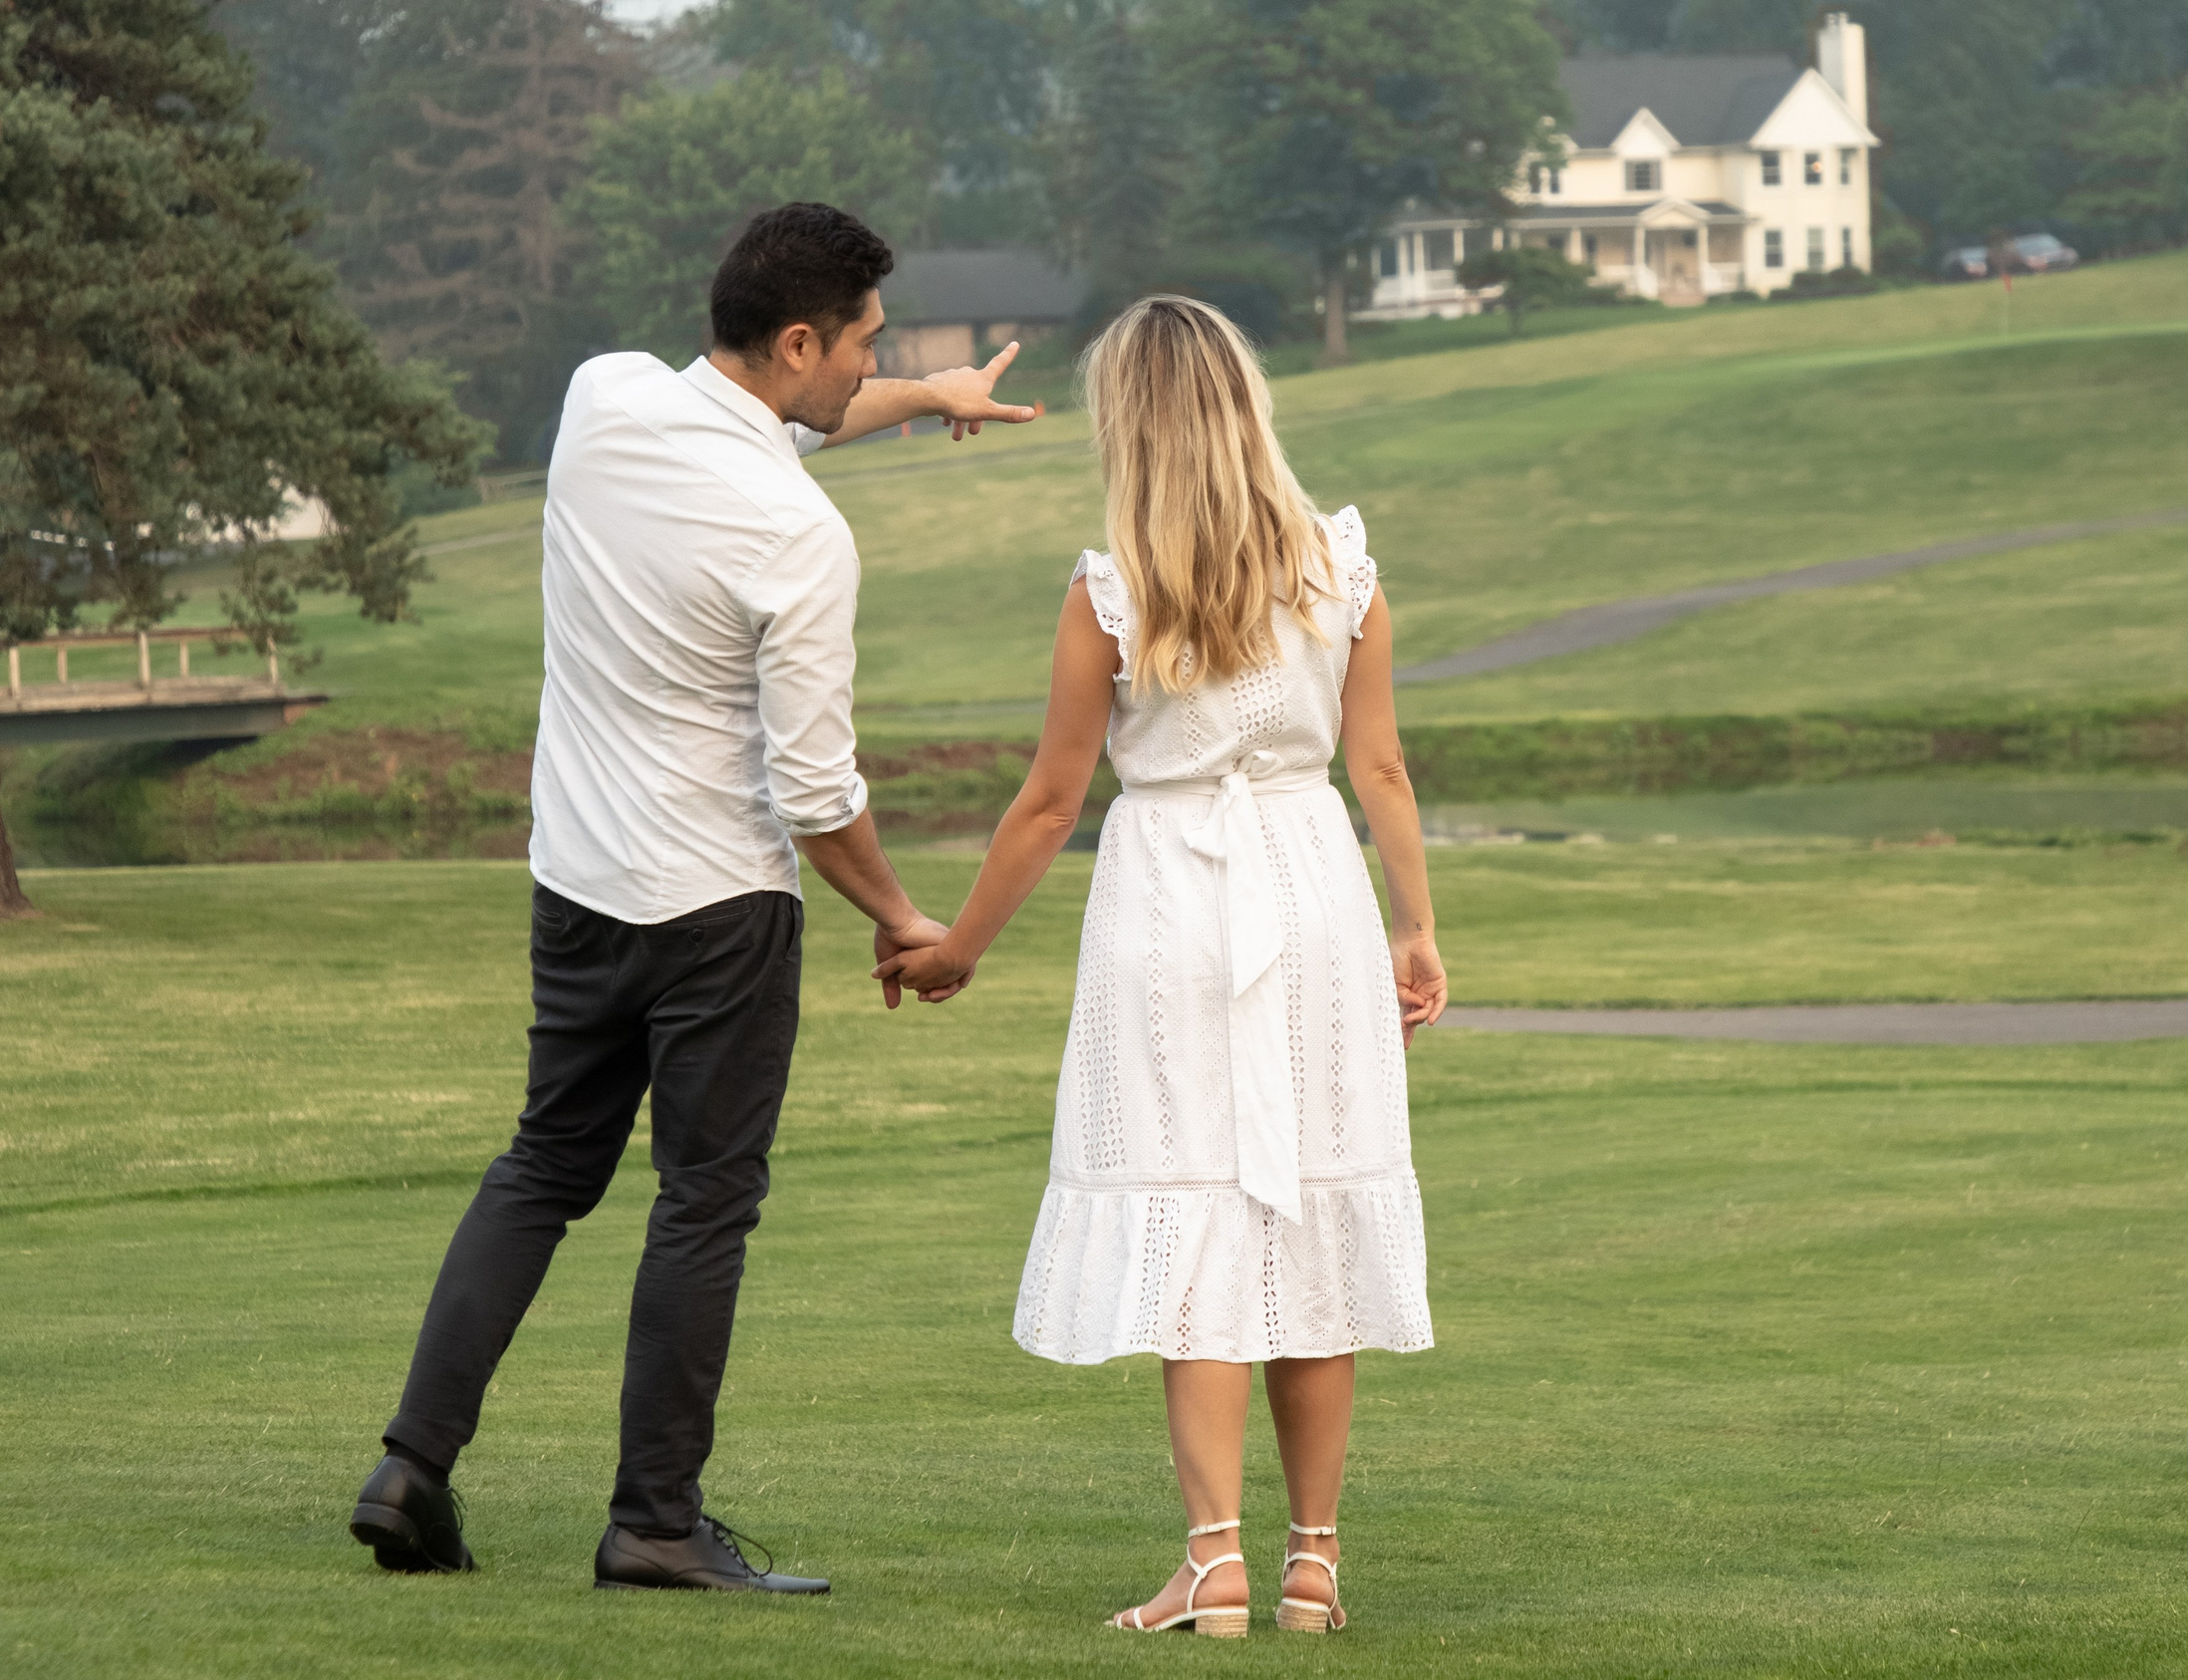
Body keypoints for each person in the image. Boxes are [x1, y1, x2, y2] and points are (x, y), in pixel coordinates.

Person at [347, 203, 1035, 1592]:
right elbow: (817, 793)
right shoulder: (800, 535)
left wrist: (929, 399)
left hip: (578, 884)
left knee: (544, 1167)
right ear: (798, 340)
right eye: (864, 346)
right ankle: (655, 1522)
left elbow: (790, 417)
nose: (870, 366)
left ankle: (409, 1468)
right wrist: (906, 919)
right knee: (704, 1204)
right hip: (718, 908)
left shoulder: (603, 399)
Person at [875, 295, 1449, 1636]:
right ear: (1248, 404)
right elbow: (1380, 768)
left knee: (1200, 1217)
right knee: (1301, 1206)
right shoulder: (1339, 571)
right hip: (1313, 892)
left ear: (1125, 425)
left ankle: (1214, 1560)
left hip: (1169, 907)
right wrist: (1413, 928)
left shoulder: (1112, 590)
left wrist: (957, 945)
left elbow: (1048, 801)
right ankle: (1313, 1558)